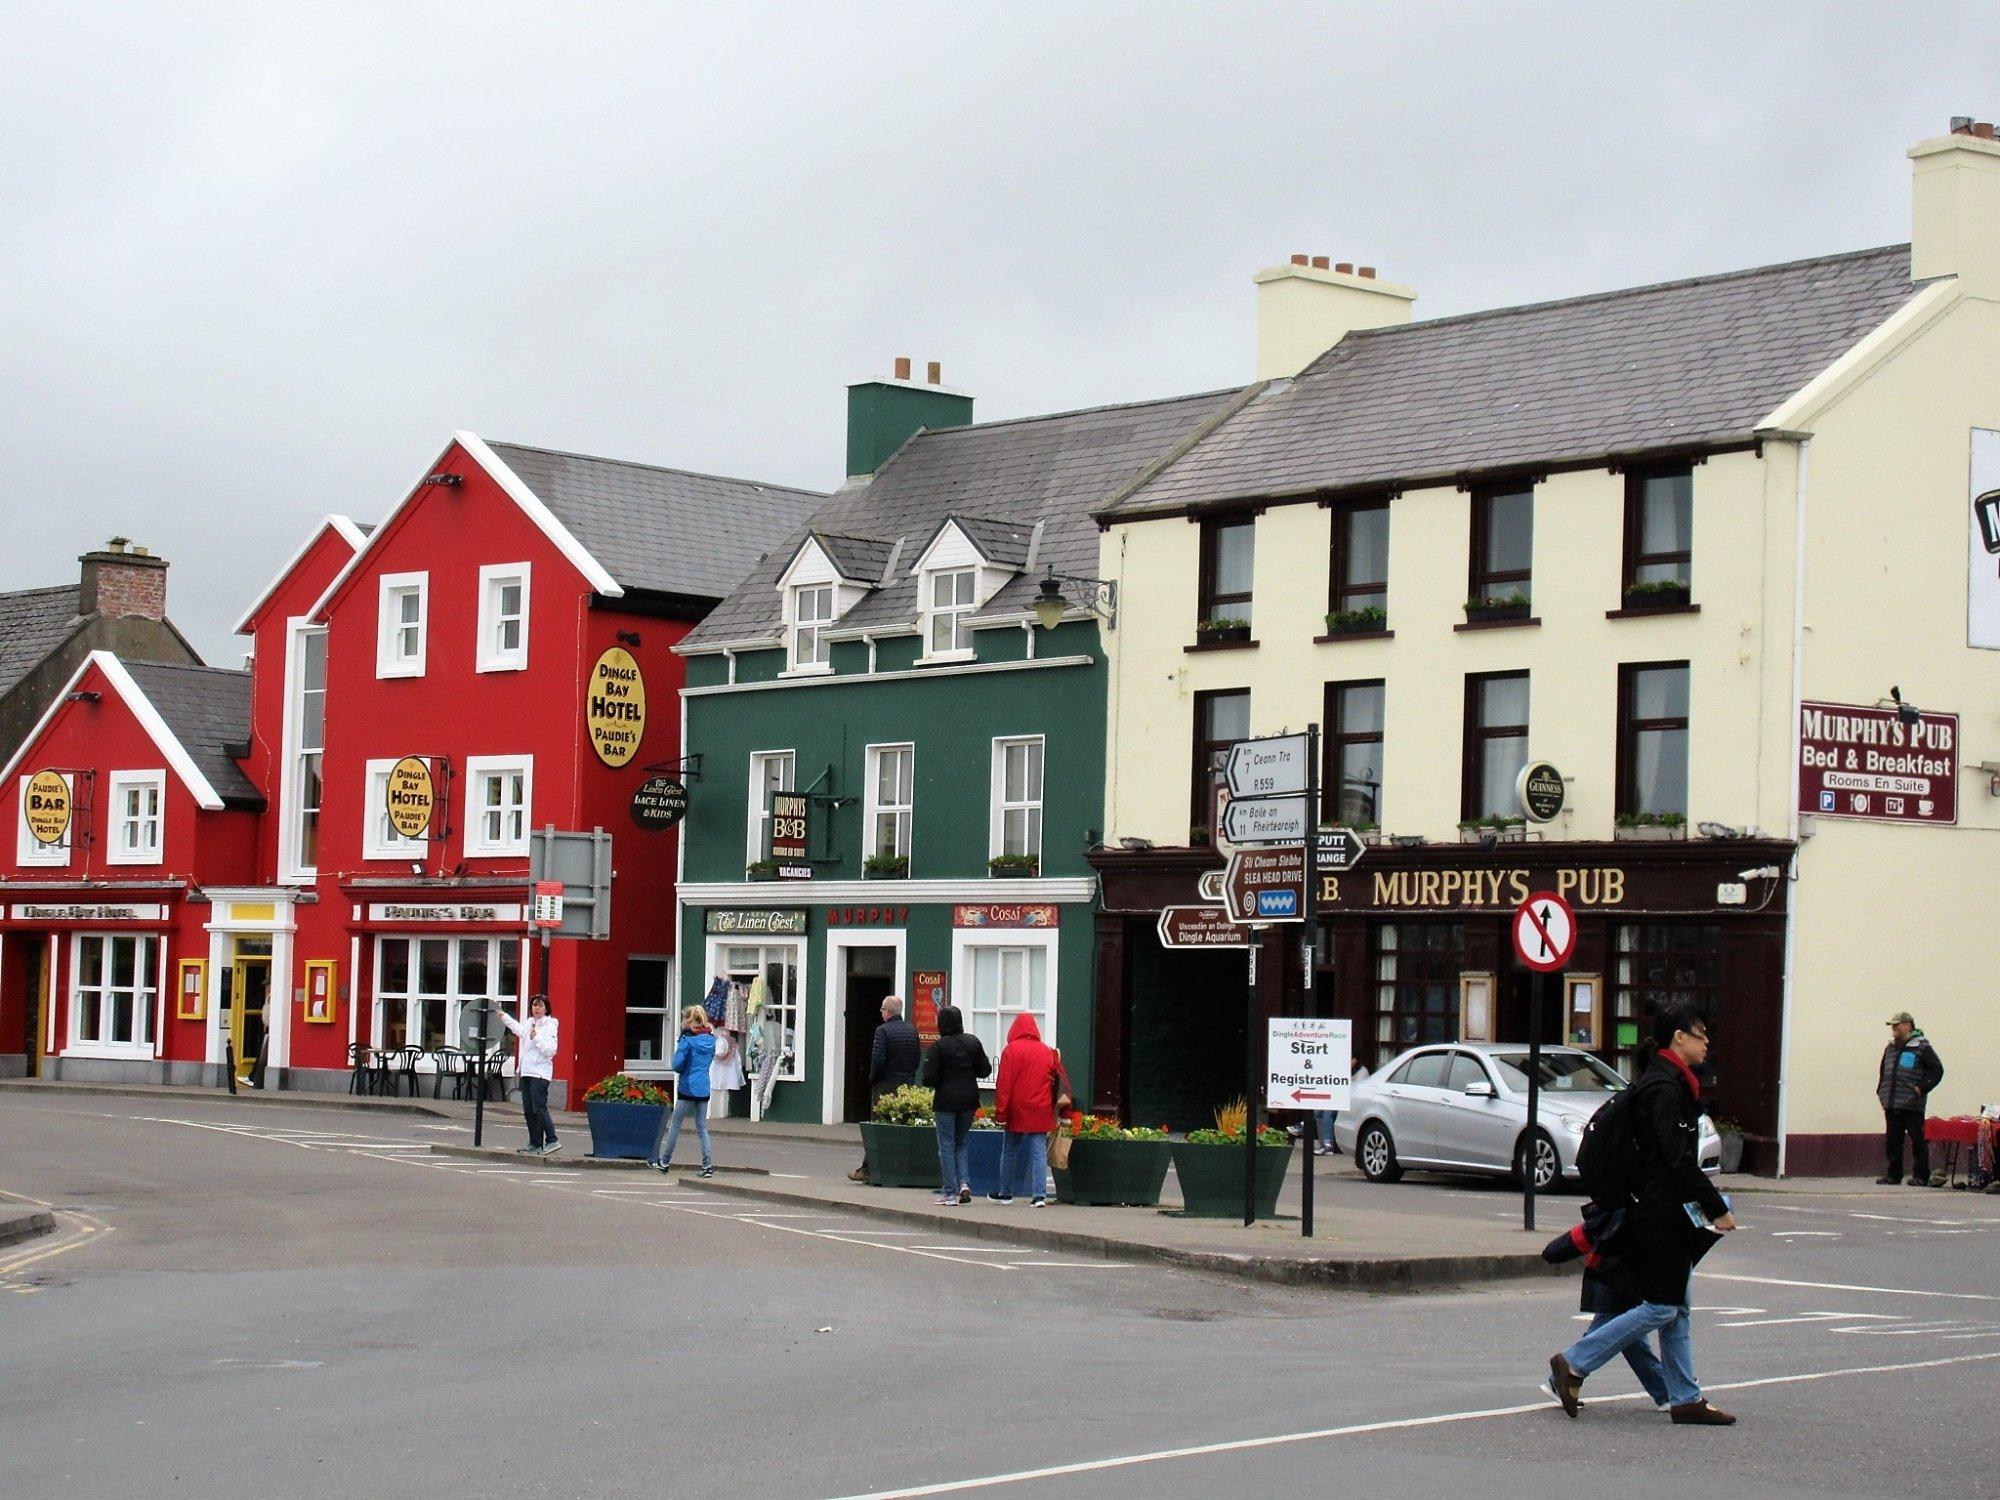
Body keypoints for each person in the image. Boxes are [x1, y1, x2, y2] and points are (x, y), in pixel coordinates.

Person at [1545, 1004, 1738, 1426]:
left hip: (1660, 1208)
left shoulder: (1673, 1084)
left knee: (1673, 1305)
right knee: (1662, 1306)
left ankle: (1684, 1398)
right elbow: (1676, 1161)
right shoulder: (1663, 1090)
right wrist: (1717, 1207)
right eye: (1700, 1034)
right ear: (1678, 1038)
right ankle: (1575, 1362)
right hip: (1659, 1212)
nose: (1707, 1043)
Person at [921, 1005, 992, 1206]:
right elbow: (985, 1070)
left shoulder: (938, 1047)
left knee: (946, 1146)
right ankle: (964, 1183)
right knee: (961, 1143)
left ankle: (949, 1192)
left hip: (946, 1100)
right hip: (969, 1098)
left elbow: (928, 1078)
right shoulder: (973, 1042)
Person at [991, 1012, 1061, 1207]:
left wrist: (1001, 1114)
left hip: (1017, 1107)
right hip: (1040, 1106)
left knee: (1010, 1150)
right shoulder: (1047, 1051)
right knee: (1039, 1150)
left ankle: (1006, 1193)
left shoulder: (1011, 1050)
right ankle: (1039, 1195)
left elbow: (1004, 1084)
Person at [849, 995, 920, 1183]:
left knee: (878, 1127)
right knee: (902, 1127)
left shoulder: (882, 1031)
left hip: (885, 1086)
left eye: (882, 1009)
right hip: (906, 1085)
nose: (881, 1012)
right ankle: (901, 1168)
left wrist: (873, 1079)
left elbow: (878, 1060)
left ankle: (868, 1169)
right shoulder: (912, 1030)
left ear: (887, 1013)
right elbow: (916, 1058)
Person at [1877, 1010, 1945, 1186]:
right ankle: (1893, 1174)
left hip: (1912, 1103)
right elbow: (1884, 1071)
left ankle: (1921, 1175)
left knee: (1918, 1140)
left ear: (1907, 1025)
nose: (1893, 1029)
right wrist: (1881, 1091)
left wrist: (1921, 1088)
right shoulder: (1891, 1047)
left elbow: (1937, 1070)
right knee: (1893, 1140)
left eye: (1896, 1025)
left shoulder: (1921, 1046)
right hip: (1891, 1102)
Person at [651, 1006, 717, 1178]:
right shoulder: (711, 1040)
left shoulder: (687, 1041)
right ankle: (707, 1165)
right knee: (702, 1126)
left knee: (675, 1125)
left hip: (688, 1086)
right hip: (703, 1086)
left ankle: (664, 1162)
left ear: (689, 1020)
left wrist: (681, 1045)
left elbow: (677, 1065)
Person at [497, 994, 561, 1156]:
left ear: (546, 1008)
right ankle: (535, 1142)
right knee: (528, 1110)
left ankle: (552, 1140)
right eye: (534, 1005)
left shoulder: (550, 1025)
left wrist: (536, 1037)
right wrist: (504, 1017)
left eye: (540, 1006)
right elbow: (519, 1030)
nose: (537, 1009)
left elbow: (551, 1050)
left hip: (540, 1073)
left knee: (539, 1108)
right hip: (526, 1071)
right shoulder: (530, 1023)